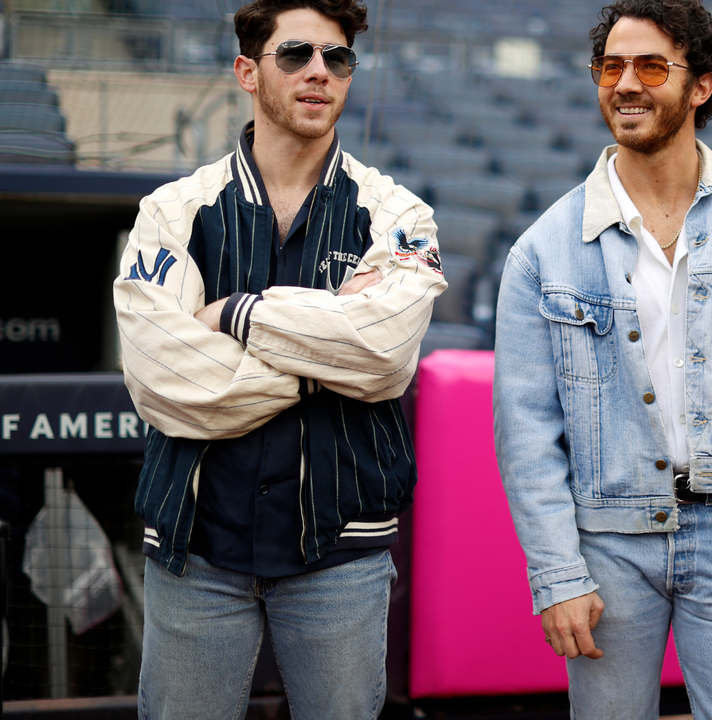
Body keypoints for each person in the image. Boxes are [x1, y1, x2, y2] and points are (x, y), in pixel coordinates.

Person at [492, 0, 712, 716]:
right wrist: (559, 574)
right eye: (610, 66)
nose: (626, 83)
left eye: (651, 66)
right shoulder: (544, 249)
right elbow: (526, 429)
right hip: (608, 546)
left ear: (701, 85)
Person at [113, 0, 445, 716]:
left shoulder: (397, 214)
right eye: (294, 55)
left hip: (339, 551)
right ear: (246, 72)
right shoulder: (173, 210)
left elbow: (385, 357)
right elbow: (164, 379)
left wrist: (236, 315)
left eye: (337, 58)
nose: (319, 71)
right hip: (195, 547)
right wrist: (328, 357)